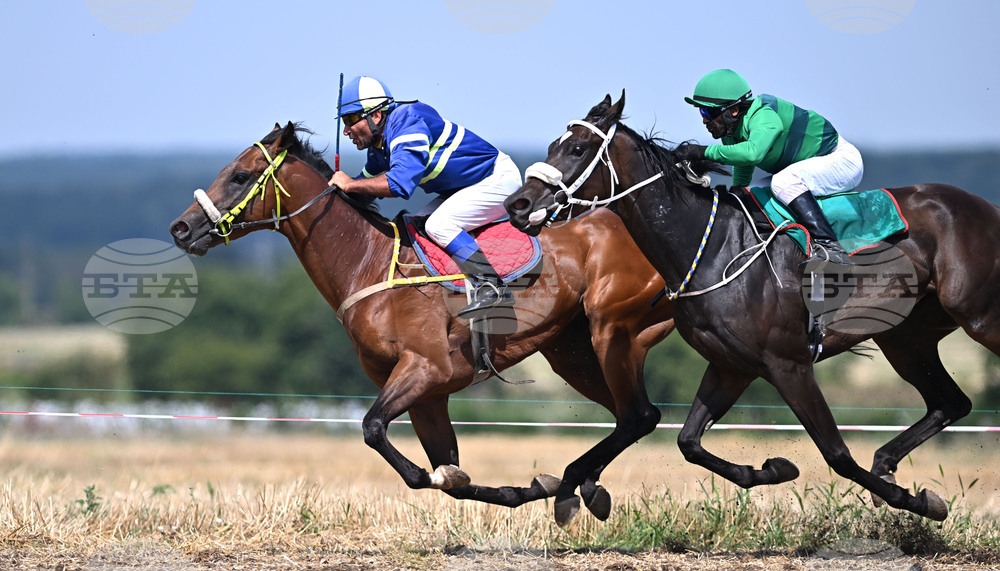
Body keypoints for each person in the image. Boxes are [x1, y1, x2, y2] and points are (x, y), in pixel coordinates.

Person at [328, 76, 523, 319]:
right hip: (464, 188)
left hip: (497, 179)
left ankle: (492, 287)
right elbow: (361, 187)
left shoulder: (407, 120)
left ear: (375, 116)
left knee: (438, 225)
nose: (346, 130)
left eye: (350, 120)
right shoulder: (379, 147)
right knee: (415, 226)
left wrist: (351, 184)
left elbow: (399, 184)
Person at [675, 69, 863, 268]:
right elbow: (744, 163)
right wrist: (739, 188)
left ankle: (830, 247)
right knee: (752, 192)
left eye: (709, 112)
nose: (704, 120)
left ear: (734, 111)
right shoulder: (731, 129)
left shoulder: (764, 115)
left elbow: (751, 153)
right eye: (701, 111)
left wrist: (702, 151)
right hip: (811, 166)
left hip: (842, 161)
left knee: (783, 182)